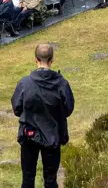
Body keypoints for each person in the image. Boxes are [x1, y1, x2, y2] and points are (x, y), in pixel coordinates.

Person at [11, 42, 75, 188]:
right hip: (52, 135)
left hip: (29, 134)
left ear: (36, 60)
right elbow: (68, 109)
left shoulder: (25, 83)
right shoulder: (61, 84)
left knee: (27, 178)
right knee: (51, 180)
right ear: (52, 60)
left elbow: (16, 108)